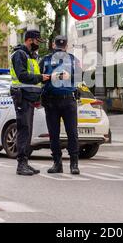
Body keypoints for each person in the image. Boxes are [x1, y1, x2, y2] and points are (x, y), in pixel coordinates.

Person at [40, 35, 82, 175]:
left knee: (66, 133)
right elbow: (38, 77)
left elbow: (79, 77)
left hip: (65, 100)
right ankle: (61, 164)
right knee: (61, 134)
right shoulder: (71, 60)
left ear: (54, 45)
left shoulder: (47, 60)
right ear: (66, 46)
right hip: (55, 101)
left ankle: (71, 164)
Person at [10, 30, 50, 176]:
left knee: (28, 130)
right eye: (37, 41)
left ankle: (25, 162)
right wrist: (40, 77)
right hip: (22, 96)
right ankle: (21, 164)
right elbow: (22, 76)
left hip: (30, 98)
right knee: (23, 129)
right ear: (29, 40)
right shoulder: (19, 54)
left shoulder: (31, 56)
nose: (38, 44)